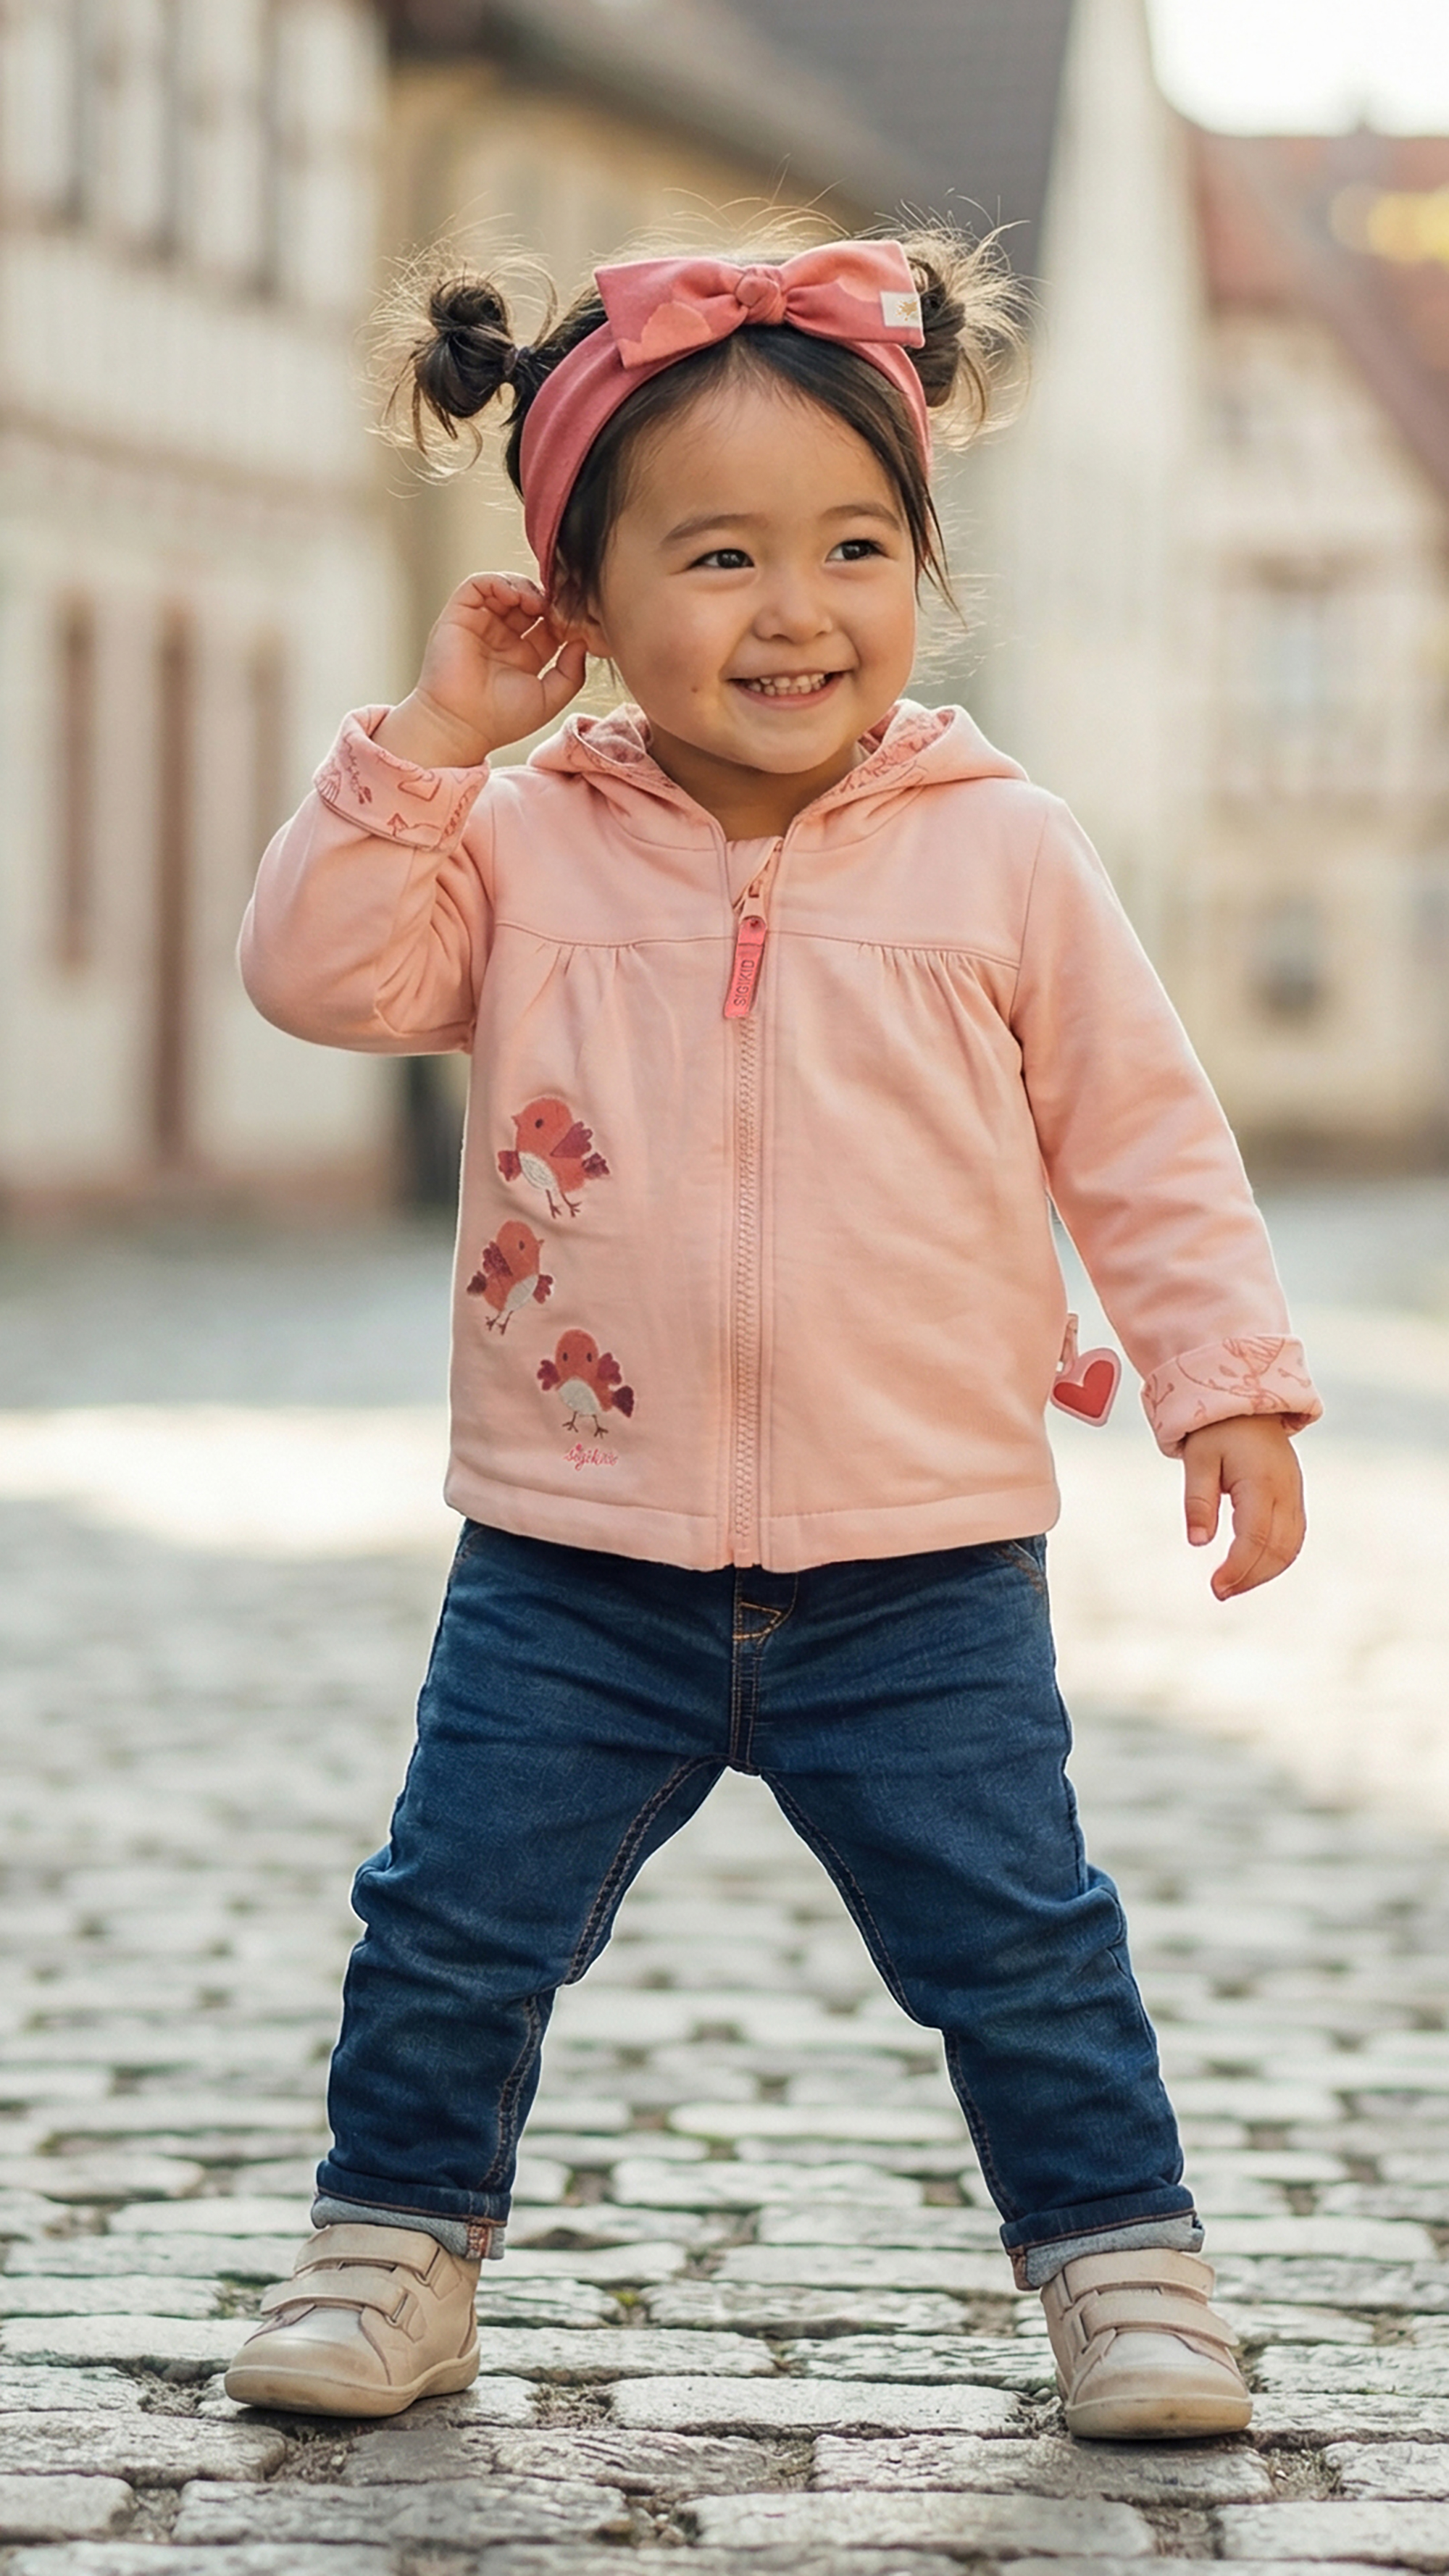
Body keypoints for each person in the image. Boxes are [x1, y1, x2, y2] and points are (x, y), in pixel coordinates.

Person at [225, 233, 1320, 2440]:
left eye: (853, 546)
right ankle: (394, 2245)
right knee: (451, 1918)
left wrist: (1229, 1386)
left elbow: (1144, 1136)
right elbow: (320, 974)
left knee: (1020, 1935)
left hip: (923, 1562)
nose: (795, 607)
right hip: (573, 1555)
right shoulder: (522, 841)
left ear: (925, 564)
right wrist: (437, 741)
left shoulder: (1005, 853)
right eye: (718, 556)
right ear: (583, 596)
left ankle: (1127, 2267)